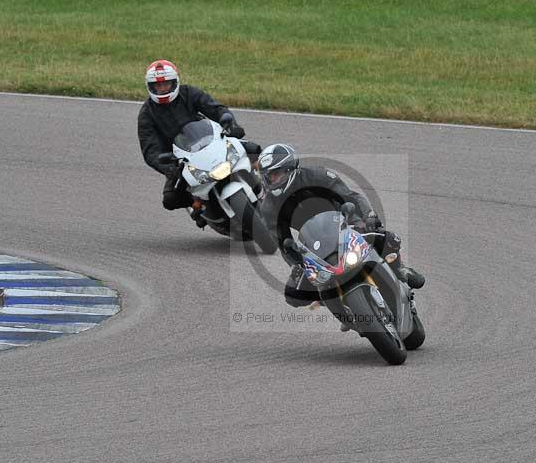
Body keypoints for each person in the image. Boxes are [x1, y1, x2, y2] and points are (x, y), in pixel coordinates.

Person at [256, 145, 425, 308]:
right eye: (269, 176)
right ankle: (344, 306)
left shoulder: (318, 175)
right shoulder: (269, 207)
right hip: (314, 243)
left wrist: (369, 216)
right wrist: (296, 263)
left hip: (346, 221)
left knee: (383, 236)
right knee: (293, 296)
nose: (273, 179)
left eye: (276, 174)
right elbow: (283, 242)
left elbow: (351, 197)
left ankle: (400, 269)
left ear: (289, 169)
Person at [137, 59, 260, 218]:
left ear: (175, 82)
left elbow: (214, 108)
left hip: (212, 142)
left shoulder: (189, 93)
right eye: (158, 86)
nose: (162, 88)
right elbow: (149, 150)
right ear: (150, 87)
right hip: (181, 160)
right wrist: (168, 168)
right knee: (170, 199)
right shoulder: (147, 114)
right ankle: (199, 205)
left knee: (254, 149)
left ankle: (269, 183)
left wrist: (229, 122)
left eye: (166, 84)